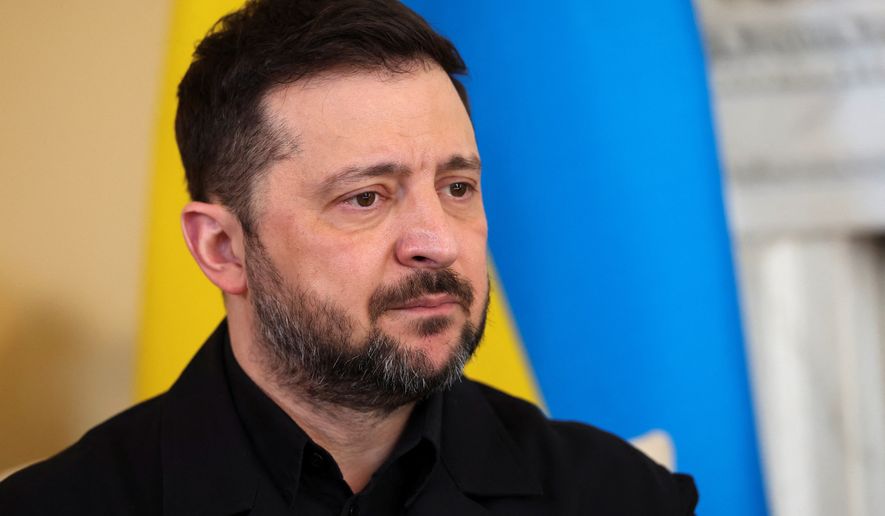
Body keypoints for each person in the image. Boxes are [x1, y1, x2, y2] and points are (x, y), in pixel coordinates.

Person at [0, 0, 698, 514]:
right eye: (366, 197)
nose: (437, 239)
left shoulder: (617, 495)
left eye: (457, 187)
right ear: (221, 247)